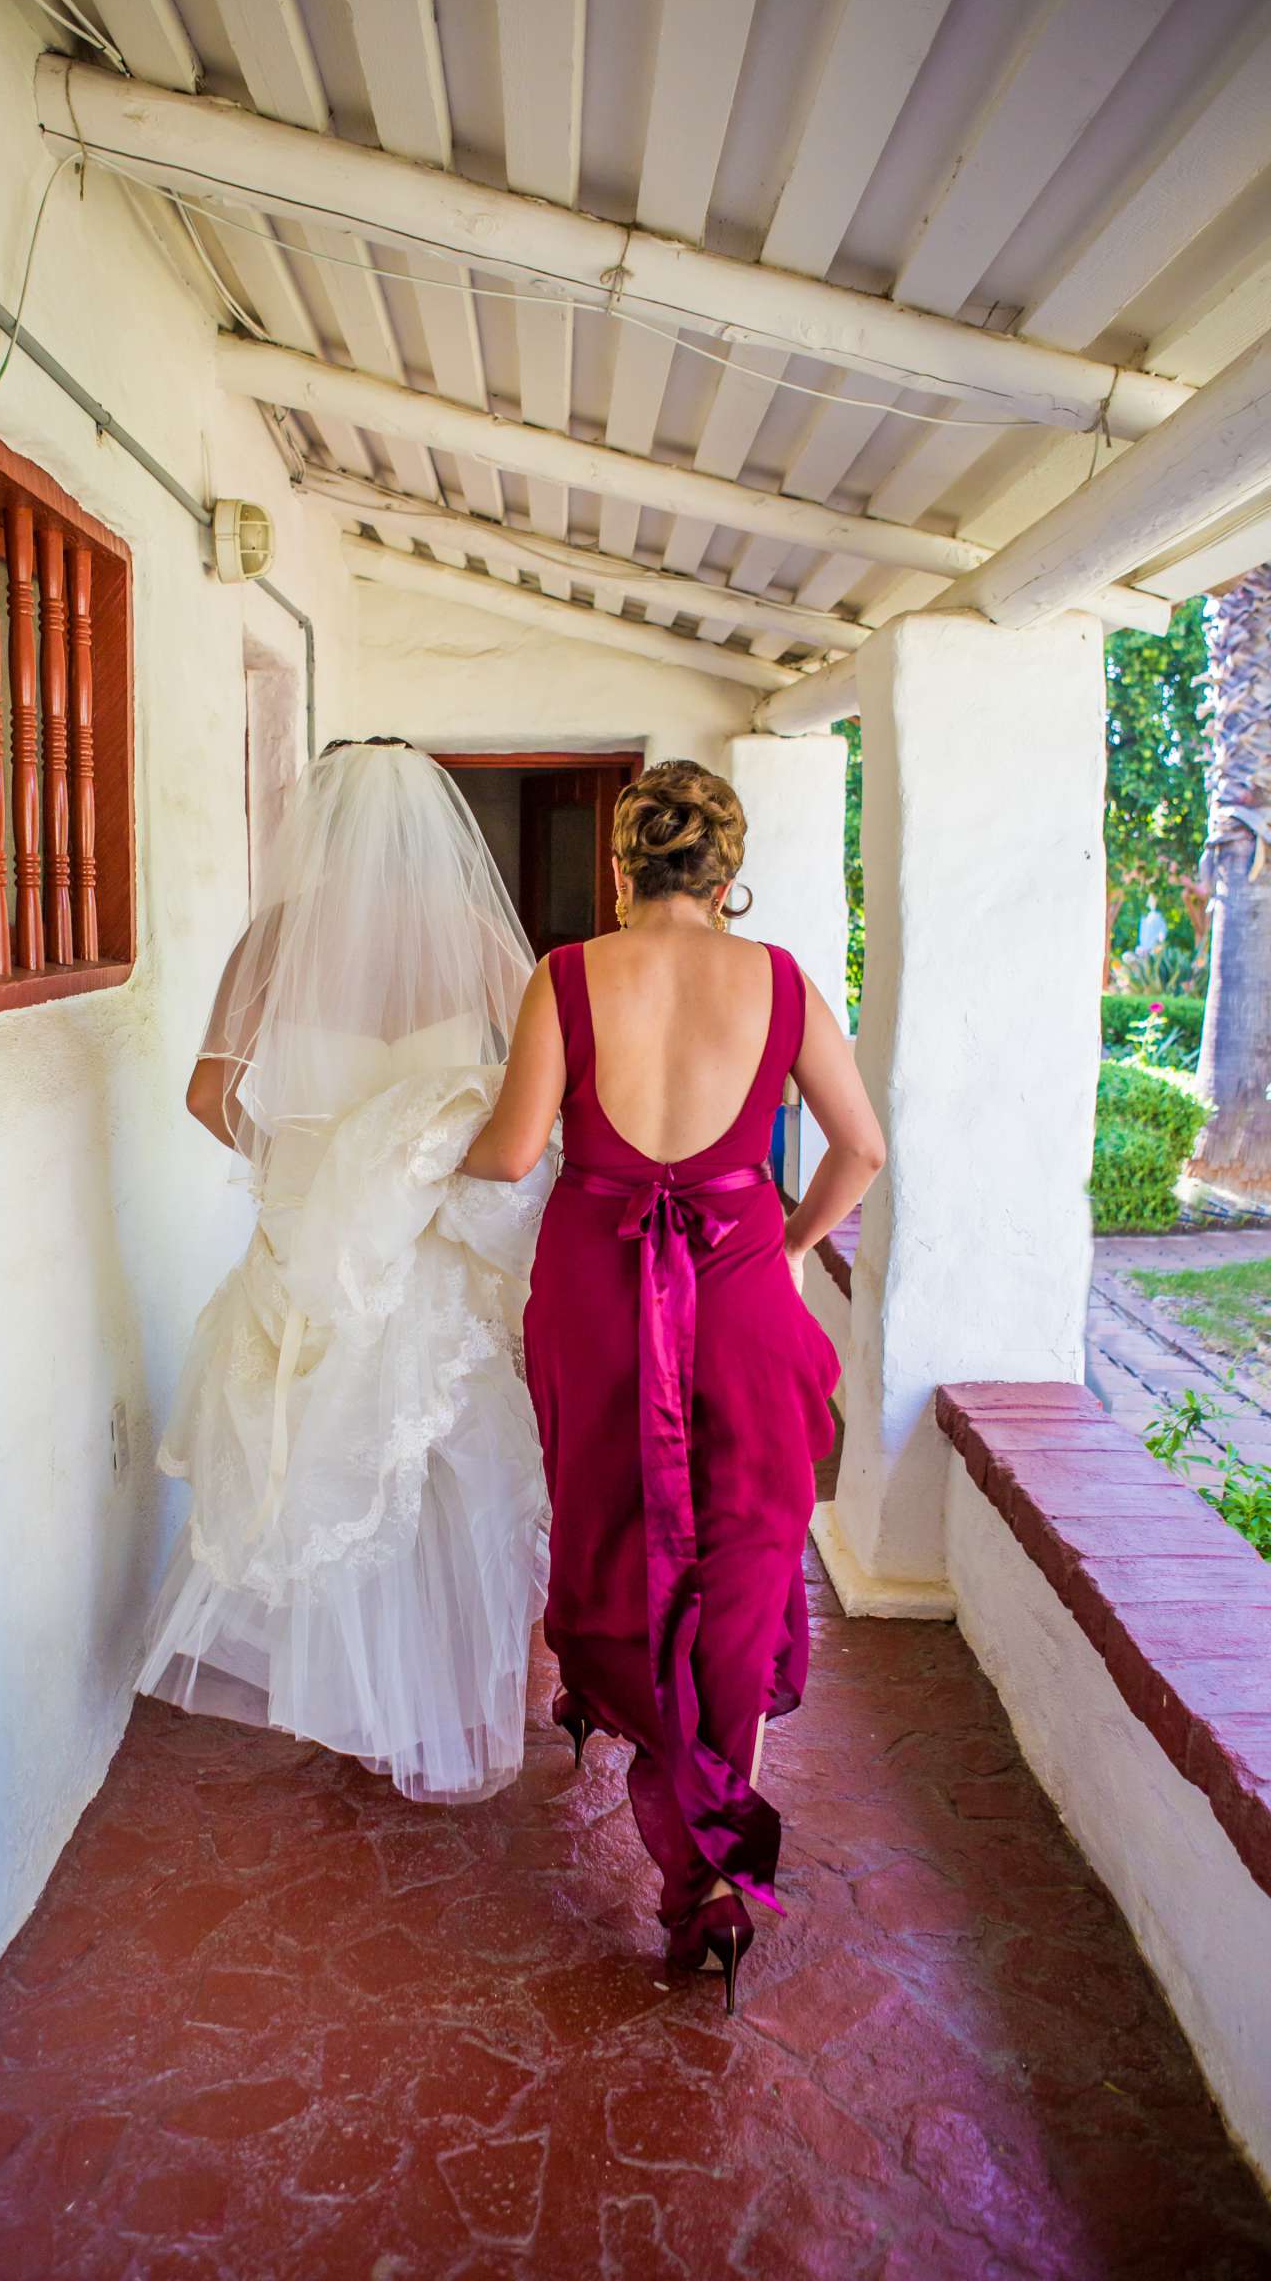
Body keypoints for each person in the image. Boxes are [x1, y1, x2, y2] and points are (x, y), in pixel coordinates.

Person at [461, 759, 885, 2005]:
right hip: (741, 1282)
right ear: (727, 867)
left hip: (596, 1285)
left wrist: (432, 1146)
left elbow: (509, 1154)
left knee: (608, 1514)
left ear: (621, 862)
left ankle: (614, 1699)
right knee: (751, 1539)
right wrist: (789, 1245)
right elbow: (860, 1148)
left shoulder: (566, 975)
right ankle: (712, 1868)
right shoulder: (785, 981)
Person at [138, 738, 555, 1803]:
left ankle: (357, 1705)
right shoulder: (469, 936)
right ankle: (445, 1697)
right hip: (432, 1241)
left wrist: (305, 1168)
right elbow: (551, 1081)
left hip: (312, 1238)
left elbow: (206, 1097)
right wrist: (434, 1153)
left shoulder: (277, 936)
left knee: (326, 1459)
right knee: (440, 1465)